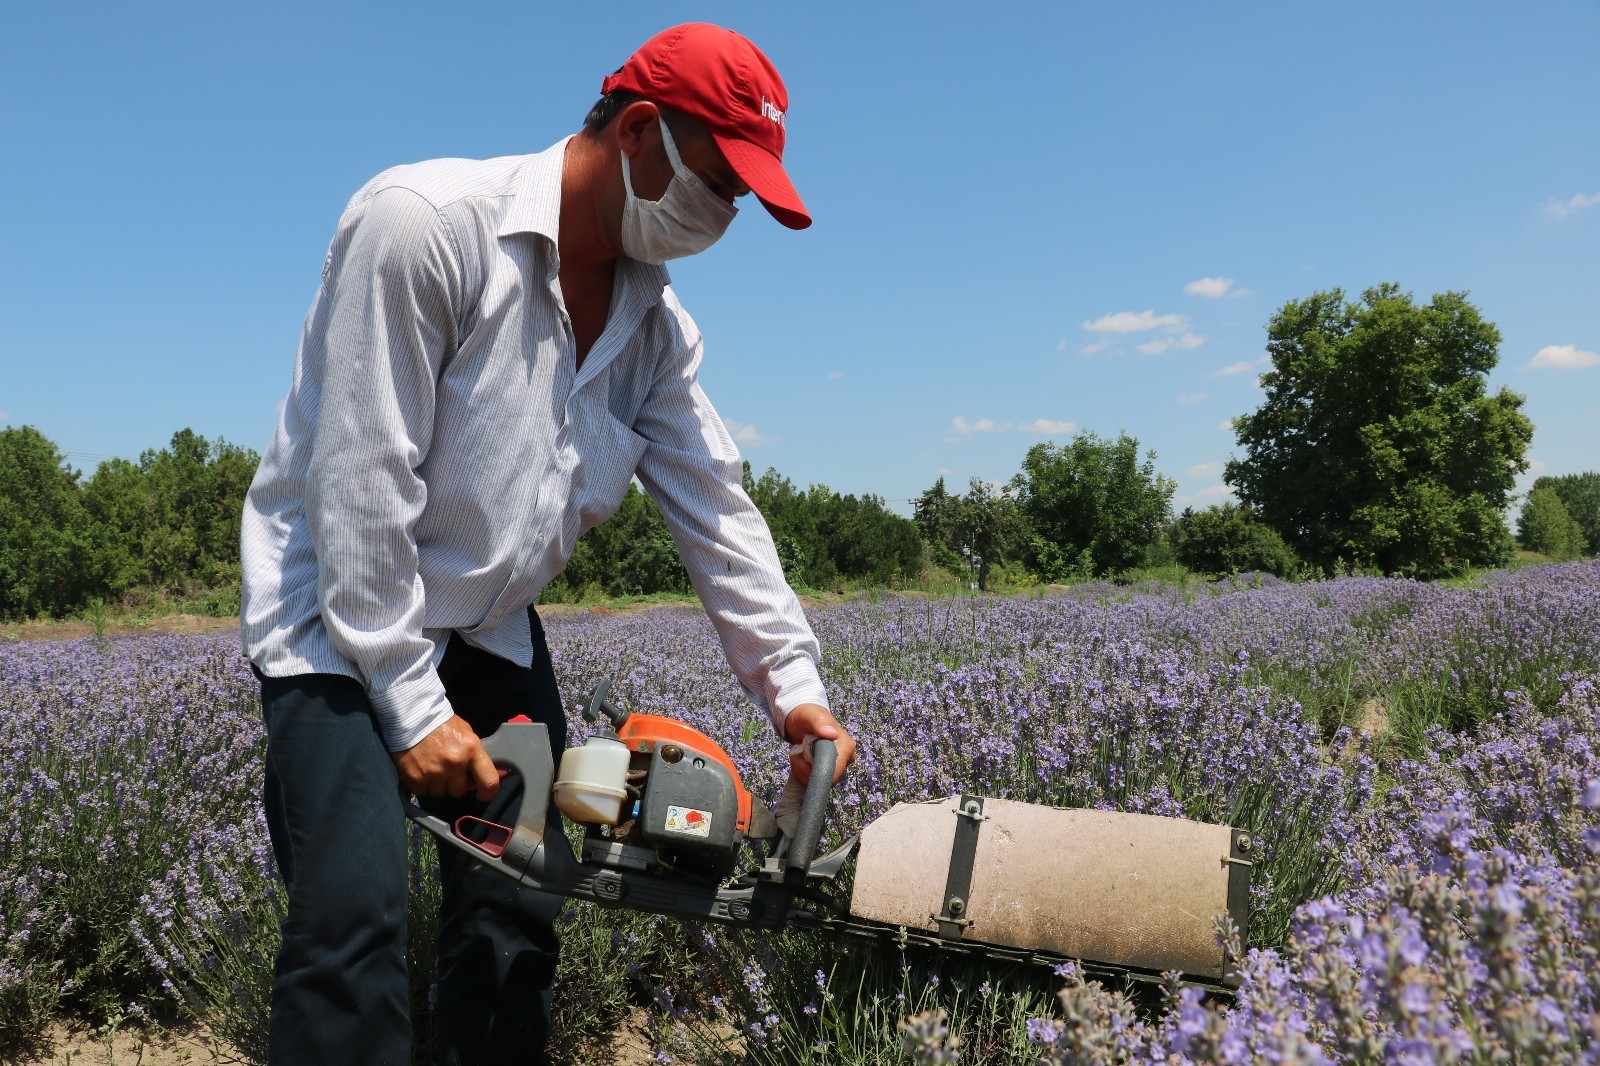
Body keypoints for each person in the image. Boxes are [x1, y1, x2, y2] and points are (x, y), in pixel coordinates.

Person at [239, 22, 857, 1066]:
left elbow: (717, 512)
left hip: (486, 629)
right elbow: (359, 488)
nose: (725, 215)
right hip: (344, 627)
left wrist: (794, 690)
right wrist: (410, 704)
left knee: (516, 913)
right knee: (353, 927)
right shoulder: (423, 226)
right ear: (641, 130)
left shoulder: (655, 331)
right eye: (717, 181)